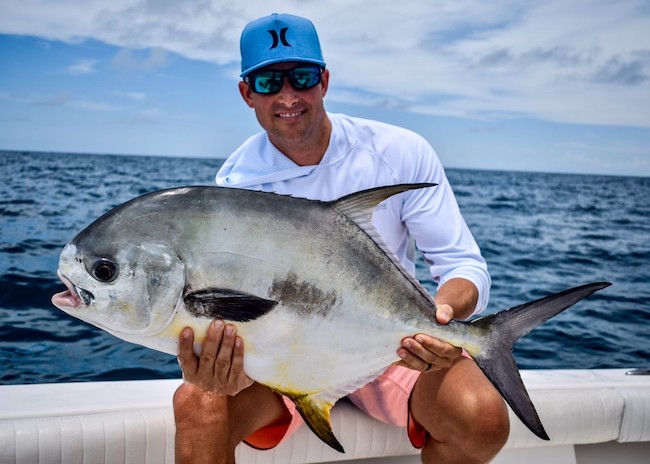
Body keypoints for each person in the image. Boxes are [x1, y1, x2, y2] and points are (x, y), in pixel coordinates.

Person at [173, 13, 509, 464]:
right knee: (197, 404)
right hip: (283, 359)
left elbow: (463, 267)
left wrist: (444, 321)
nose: (288, 96)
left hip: (392, 350)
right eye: (270, 81)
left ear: (325, 81)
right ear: (247, 93)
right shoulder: (236, 188)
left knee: (482, 418)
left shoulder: (399, 153)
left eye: (303, 77)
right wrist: (227, 364)